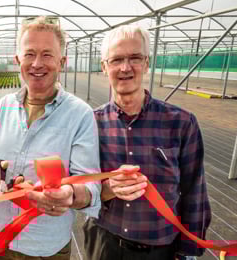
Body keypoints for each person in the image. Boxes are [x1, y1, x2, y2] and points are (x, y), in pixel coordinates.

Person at [0, 16, 101, 259]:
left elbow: (91, 185)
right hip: (2, 240)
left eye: (47, 54)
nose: (37, 63)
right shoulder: (4, 106)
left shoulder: (79, 114)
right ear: (18, 60)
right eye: (29, 54)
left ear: (62, 62)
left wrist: (70, 195)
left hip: (47, 248)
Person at [84, 25, 212, 260]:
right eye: (116, 60)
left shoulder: (181, 123)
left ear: (146, 63)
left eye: (134, 58)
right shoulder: (90, 123)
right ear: (104, 67)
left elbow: (195, 191)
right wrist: (107, 188)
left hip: (160, 248)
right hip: (105, 241)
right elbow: (81, 185)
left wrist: (189, 251)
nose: (125, 68)